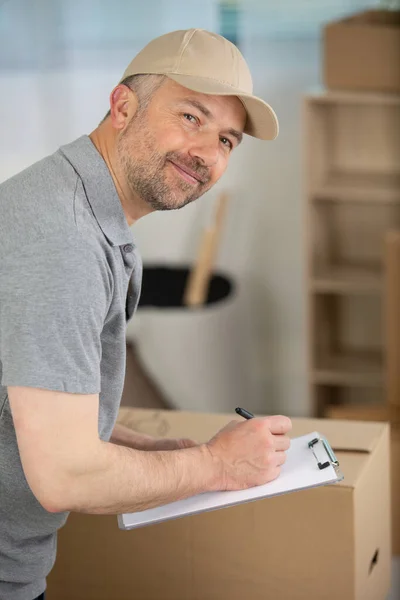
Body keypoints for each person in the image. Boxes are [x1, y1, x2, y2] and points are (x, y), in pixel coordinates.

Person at [0, 28, 292, 600]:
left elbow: (29, 405)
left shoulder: (78, 208)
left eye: (227, 140)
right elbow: (63, 473)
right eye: (190, 117)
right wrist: (216, 465)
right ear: (122, 105)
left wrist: (142, 448)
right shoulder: (64, 242)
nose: (207, 152)